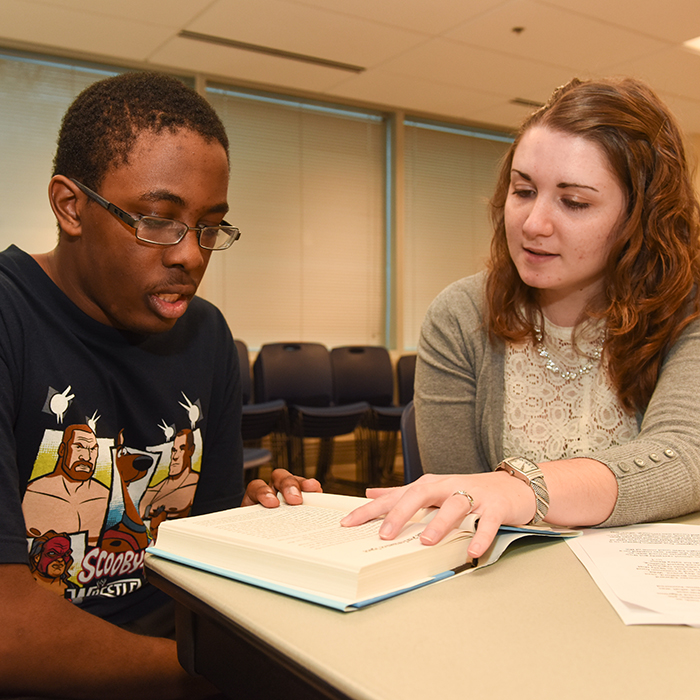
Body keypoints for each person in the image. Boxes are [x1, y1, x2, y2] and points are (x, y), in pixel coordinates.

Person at [0, 71, 319, 699]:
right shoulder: (11, 320)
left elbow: (205, 560)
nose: (191, 256)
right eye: (157, 220)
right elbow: (8, 633)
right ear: (70, 207)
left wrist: (260, 528)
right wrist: (213, 674)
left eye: (208, 226)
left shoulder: (205, 335)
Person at [343, 77, 700, 561]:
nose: (533, 224)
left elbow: (685, 454)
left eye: (574, 202)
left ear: (642, 216)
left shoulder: (687, 309)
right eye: (523, 190)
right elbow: (461, 512)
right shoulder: (460, 316)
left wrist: (524, 487)